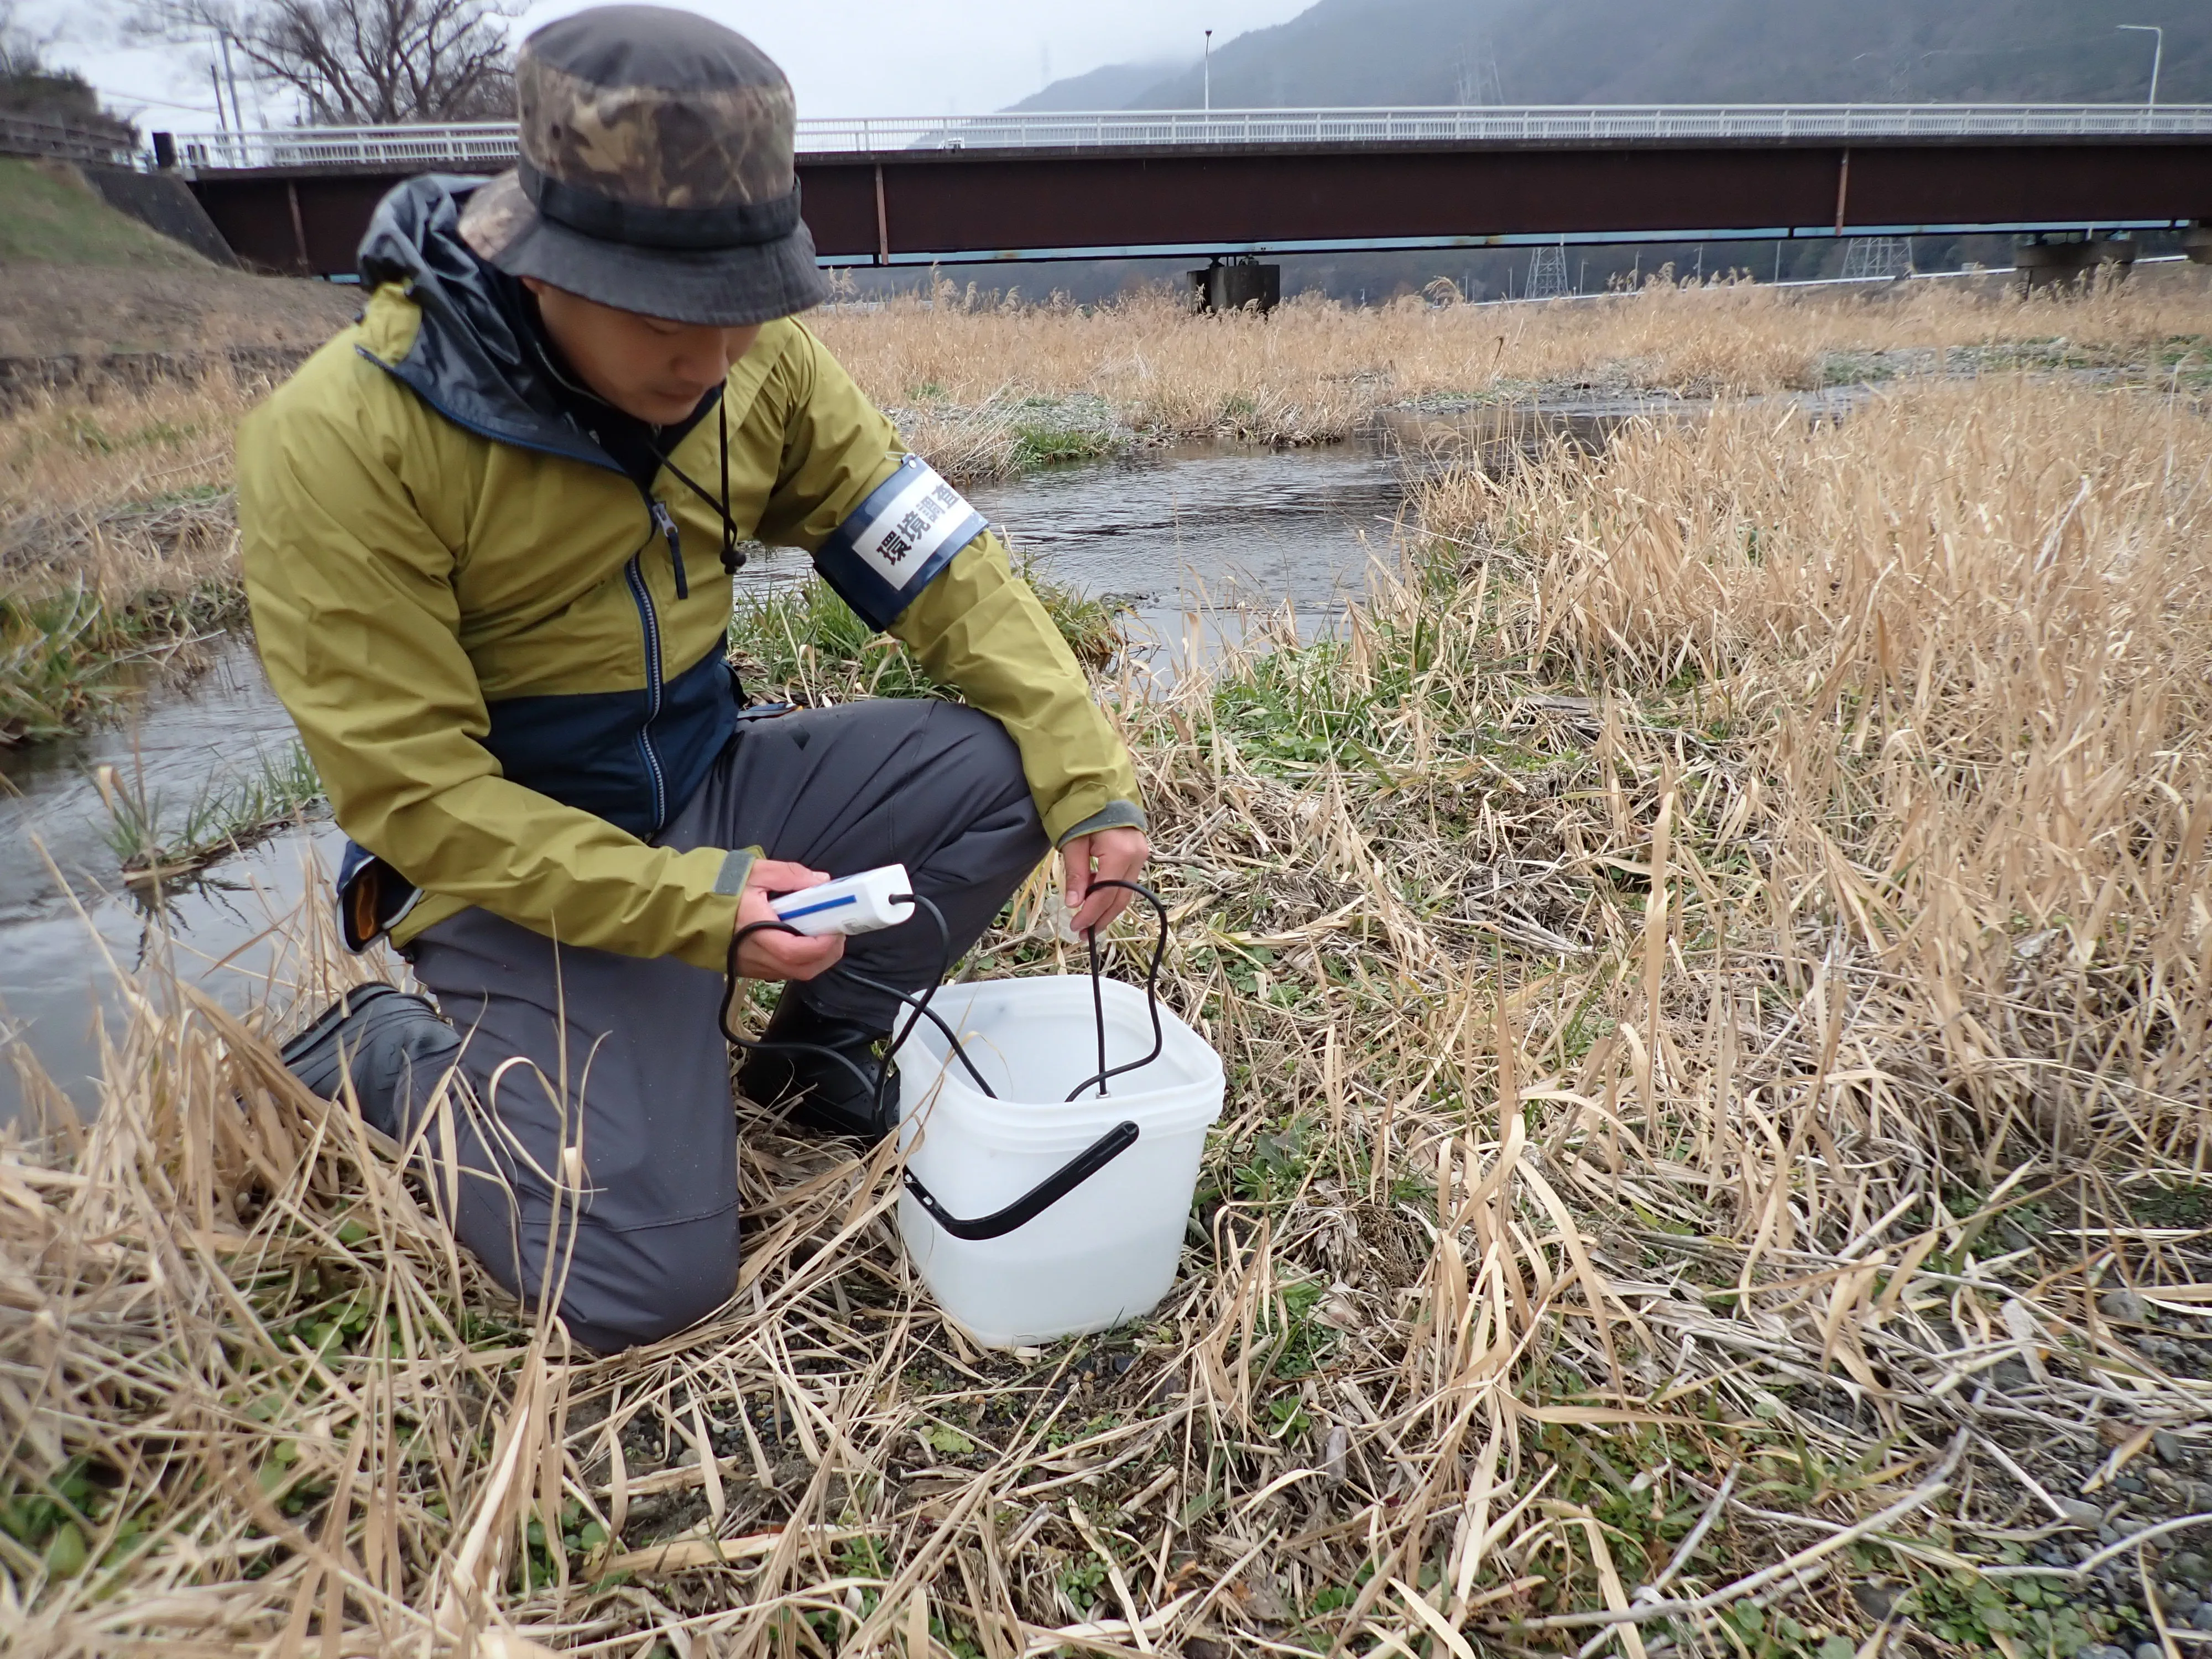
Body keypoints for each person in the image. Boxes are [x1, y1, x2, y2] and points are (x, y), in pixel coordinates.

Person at [241, 5, 1148, 1354]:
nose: (714, 360)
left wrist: (1089, 783)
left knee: (1001, 768)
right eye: (673, 314)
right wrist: (693, 909)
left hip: (703, 779)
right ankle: (379, 1060)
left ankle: (814, 1052)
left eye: (745, 309)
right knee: (641, 1284)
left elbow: (934, 563)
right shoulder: (347, 440)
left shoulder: (751, 364)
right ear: (541, 259)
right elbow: (419, 800)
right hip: (513, 868)